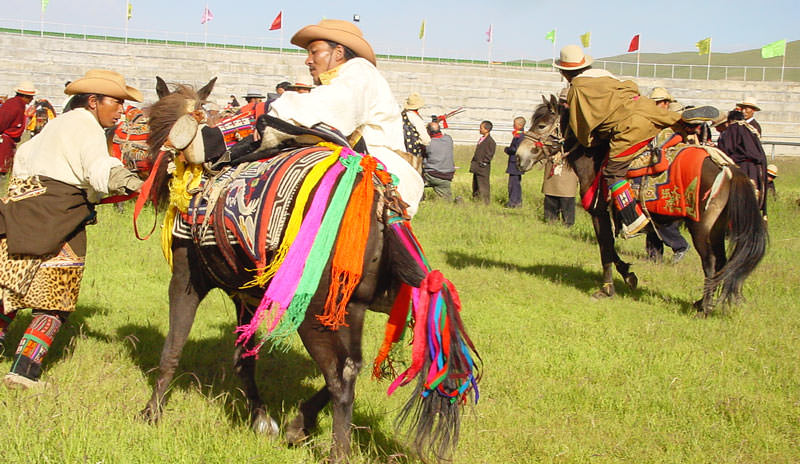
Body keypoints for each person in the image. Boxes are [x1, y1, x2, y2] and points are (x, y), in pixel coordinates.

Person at [0, 69, 144, 389]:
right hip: (58, 218)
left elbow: (24, 158)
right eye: (116, 103)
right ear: (93, 101)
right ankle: (23, 372)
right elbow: (98, 169)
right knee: (55, 299)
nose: (120, 110)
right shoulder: (86, 127)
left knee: (11, 288)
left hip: (21, 212)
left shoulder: (59, 124)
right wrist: (136, 183)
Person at [265, 19, 424, 216]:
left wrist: (273, 108)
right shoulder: (341, 79)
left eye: (314, 51)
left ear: (338, 53)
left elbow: (333, 109)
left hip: (382, 173)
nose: (308, 60)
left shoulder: (359, 70)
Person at [554, 44, 694, 238]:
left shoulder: (576, 89)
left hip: (630, 128)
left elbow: (581, 127)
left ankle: (633, 219)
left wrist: (590, 141)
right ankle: (686, 122)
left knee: (613, 171)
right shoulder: (605, 76)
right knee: (670, 122)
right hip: (647, 109)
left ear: (565, 72)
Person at [718, 109, 768, 216]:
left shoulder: (733, 129)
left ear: (730, 120)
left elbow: (727, 149)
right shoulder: (751, 129)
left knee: (740, 198)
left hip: (742, 167)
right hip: (756, 168)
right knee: (753, 197)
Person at [0, 81, 36, 174]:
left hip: (9, 142)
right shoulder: (13, 105)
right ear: (25, 96)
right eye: (31, 97)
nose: (32, 99)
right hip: (4, 143)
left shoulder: (18, 105)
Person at [422, 121, 454, 200]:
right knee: (447, 202)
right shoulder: (449, 139)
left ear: (428, 131)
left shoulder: (428, 143)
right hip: (446, 176)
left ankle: (420, 199)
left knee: (414, 182)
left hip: (431, 175)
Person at [469, 121, 496, 204]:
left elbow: (490, 154)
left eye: (481, 128)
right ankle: (476, 199)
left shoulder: (491, 141)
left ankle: (485, 202)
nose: (479, 129)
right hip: (477, 165)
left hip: (483, 167)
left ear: (487, 129)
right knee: (476, 183)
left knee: (483, 184)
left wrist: (484, 162)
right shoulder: (482, 139)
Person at [400, 93, 431, 159]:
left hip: (401, 149)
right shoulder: (415, 118)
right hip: (413, 151)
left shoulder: (402, 114)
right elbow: (425, 139)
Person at [504, 116, 525, 208]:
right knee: (515, 183)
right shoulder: (518, 135)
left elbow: (516, 149)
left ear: (520, 125)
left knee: (514, 184)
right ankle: (516, 201)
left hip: (515, 163)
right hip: (514, 163)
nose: (513, 125)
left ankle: (514, 202)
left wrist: (507, 150)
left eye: (515, 124)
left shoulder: (521, 136)